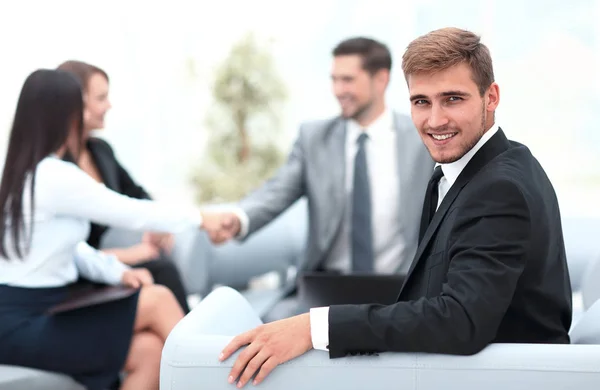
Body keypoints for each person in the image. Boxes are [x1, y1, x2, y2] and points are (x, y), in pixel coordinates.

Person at [216, 27, 573, 387]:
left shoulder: (498, 187)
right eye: (421, 101)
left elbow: (461, 321)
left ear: (491, 97)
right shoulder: (477, 168)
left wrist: (314, 327)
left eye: (453, 99)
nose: (435, 120)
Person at [0, 69, 207, 389]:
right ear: (69, 117)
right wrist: (202, 218)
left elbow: (68, 247)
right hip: (23, 320)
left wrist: (117, 272)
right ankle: (220, 379)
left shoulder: (24, 173)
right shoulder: (53, 175)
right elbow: (128, 211)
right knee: (158, 300)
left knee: (150, 353)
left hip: (34, 313)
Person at [203, 37, 434, 321]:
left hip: (403, 284)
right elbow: (277, 191)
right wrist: (238, 218)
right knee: (271, 324)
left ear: (381, 79)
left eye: (347, 80)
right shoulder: (314, 139)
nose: (338, 90)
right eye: (334, 80)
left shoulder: (421, 136)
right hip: (329, 286)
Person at [56, 60, 190, 313]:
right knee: (162, 269)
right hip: (77, 275)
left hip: (104, 265)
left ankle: (190, 342)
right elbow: (70, 250)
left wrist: (158, 223)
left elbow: (136, 195)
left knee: (161, 263)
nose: (109, 105)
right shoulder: (57, 170)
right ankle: (193, 347)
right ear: (76, 103)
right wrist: (131, 254)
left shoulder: (99, 151)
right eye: (101, 98)